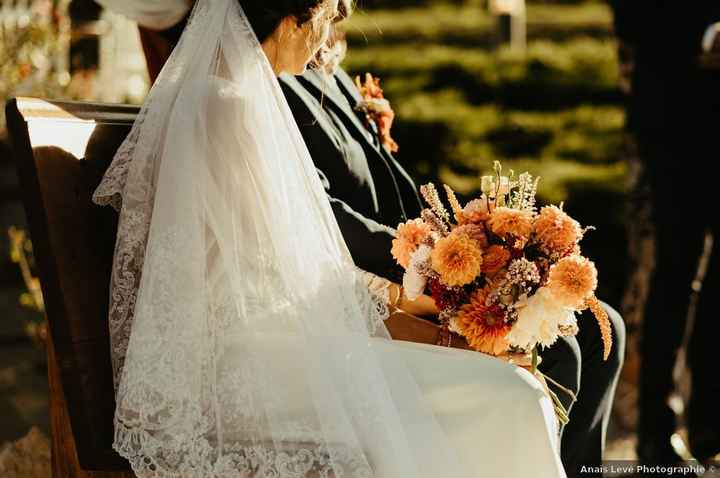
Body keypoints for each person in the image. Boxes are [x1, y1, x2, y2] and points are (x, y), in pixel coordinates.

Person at [92, 0, 567, 477]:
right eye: (325, 19)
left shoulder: (227, 94)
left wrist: (415, 310)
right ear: (290, 17)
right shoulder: (227, 106)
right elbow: (307, 282)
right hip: (246, 358)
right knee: (506, 394)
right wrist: (443, 337)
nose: (326, 39)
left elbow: (311, 276)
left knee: (501, 387)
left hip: (273, 335)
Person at [278, 12, 625, 478]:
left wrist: (469, 235)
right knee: (564, 348)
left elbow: (386, 183)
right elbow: (324, 216)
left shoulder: (329, 66)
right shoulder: (276, 82)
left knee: (609, 331)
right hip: (380, 274)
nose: (343, 10)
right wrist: (430, 259)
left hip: (421, 254)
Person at [610, 0, 720, 468]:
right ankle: (656, 431)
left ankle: (709, 422)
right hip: (676, 113)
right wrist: (704, 33)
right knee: (676, 267)